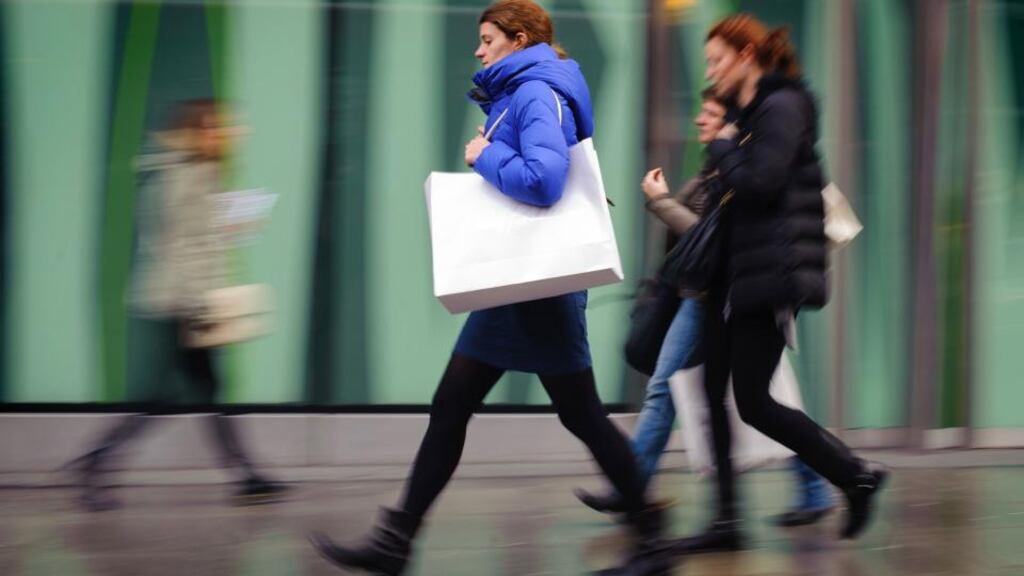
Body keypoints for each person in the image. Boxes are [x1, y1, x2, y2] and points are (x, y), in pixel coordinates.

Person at [309, 2, 665, 575]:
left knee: (578, 414)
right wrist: (494, 149)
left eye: (487, 39)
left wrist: (483, 155)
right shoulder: (525, 92)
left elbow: (545, 182)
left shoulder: (534, 93)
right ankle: (395, 542)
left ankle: (654, 538)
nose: (478, 50)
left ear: (517, 39)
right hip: (515, 281)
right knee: (455, 405)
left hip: (537, 284)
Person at [669, 14, 886, 556]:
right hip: (735, 275)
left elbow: (761, 183)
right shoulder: (748, 113)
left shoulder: (783, 106)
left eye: (716, 58)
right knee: (709, 390)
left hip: (772, 274)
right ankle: (725, 522)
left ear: (746, 55)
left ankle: (853, 474)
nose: (710, 70)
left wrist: (722, 146)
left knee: (753, 401)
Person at [574, 88, 834, 528]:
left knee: (677, 391)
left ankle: (631, 488)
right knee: (763, 400)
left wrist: (660, 202)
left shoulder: (734, 169)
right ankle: (813, 488)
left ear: (733, 122)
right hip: (708, 298)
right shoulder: (714, 167)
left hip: (719, 299)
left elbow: (706, 236)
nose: (699, 120)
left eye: (711, 113)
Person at [63, 99, 287, 511]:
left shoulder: (193, 173)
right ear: (198, 133)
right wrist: (198, 304)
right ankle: (98, 462)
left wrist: (235, 225)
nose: (231, 134)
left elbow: (199, 239)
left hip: (184, 299)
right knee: (170, 396)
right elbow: (179, 248)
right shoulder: (189, 176)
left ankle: (244, 474)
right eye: (219, 128)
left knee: (202, 392)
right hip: (182, 303)